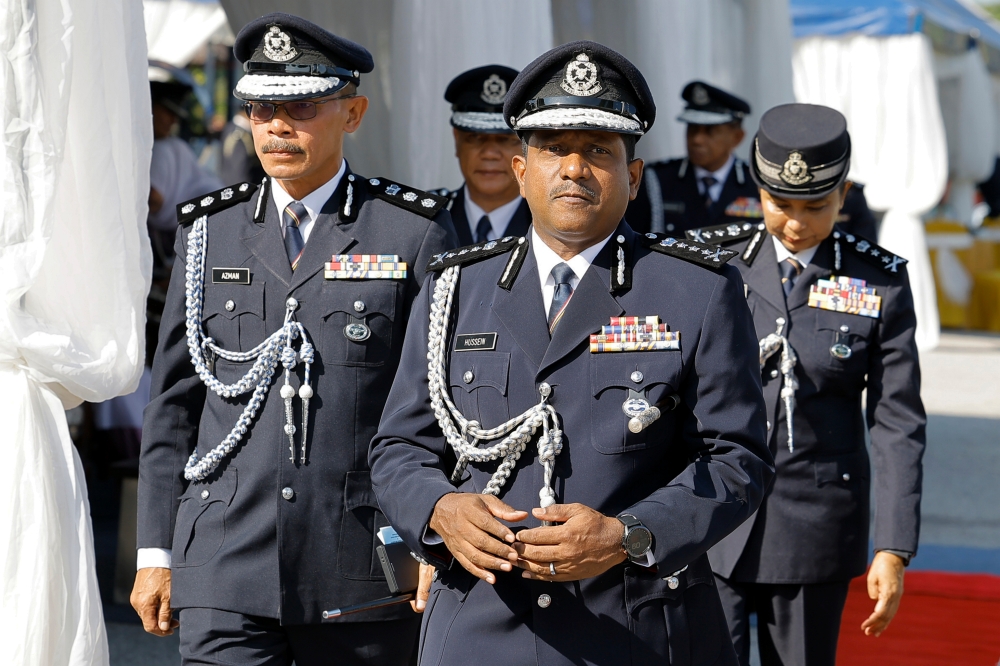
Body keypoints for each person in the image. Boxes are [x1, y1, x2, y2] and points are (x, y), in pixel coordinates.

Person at [369, 41, 775, 666]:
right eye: (554, 148)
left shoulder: (696, 290)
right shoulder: (455, 289)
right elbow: (399, 446)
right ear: (521, 168)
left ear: (633, 177)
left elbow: (737, 458)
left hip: (635, 625)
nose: (574, 168)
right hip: (479, 624)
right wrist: (439, 508)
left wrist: (628, 534)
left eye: (598, 151)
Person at [131, 13, 456, 665]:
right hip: (225, 561)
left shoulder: (409, 233)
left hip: (363, 563)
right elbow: (172, 408)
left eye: (301, 106)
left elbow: (442, 408)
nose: (277, 125)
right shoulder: (209, 233)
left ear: (353, 112)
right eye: (261, 108)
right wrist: (155, 550)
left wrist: (432, 540)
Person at [687, 103, 925, 666]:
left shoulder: (879, 281)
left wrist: (892, 546)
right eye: (780, 204)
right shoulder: (710, 264)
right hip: (710, 519)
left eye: (815, 205)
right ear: (758, 192)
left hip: (814, 526)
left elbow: (896, 422)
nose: (795, 222)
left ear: (844, 194)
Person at [626, 81, 757, 235]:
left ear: (737, 137)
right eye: (692, 128)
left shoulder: (756, 183)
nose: (697, 140)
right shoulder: (655, 180)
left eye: (710, 131)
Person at [436, 65, 532, 245]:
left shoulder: (551, 225)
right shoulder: (426, 220)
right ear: (457, 140)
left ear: (527, 146)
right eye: (475, 137)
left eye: (505, 139)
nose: (489, 154)